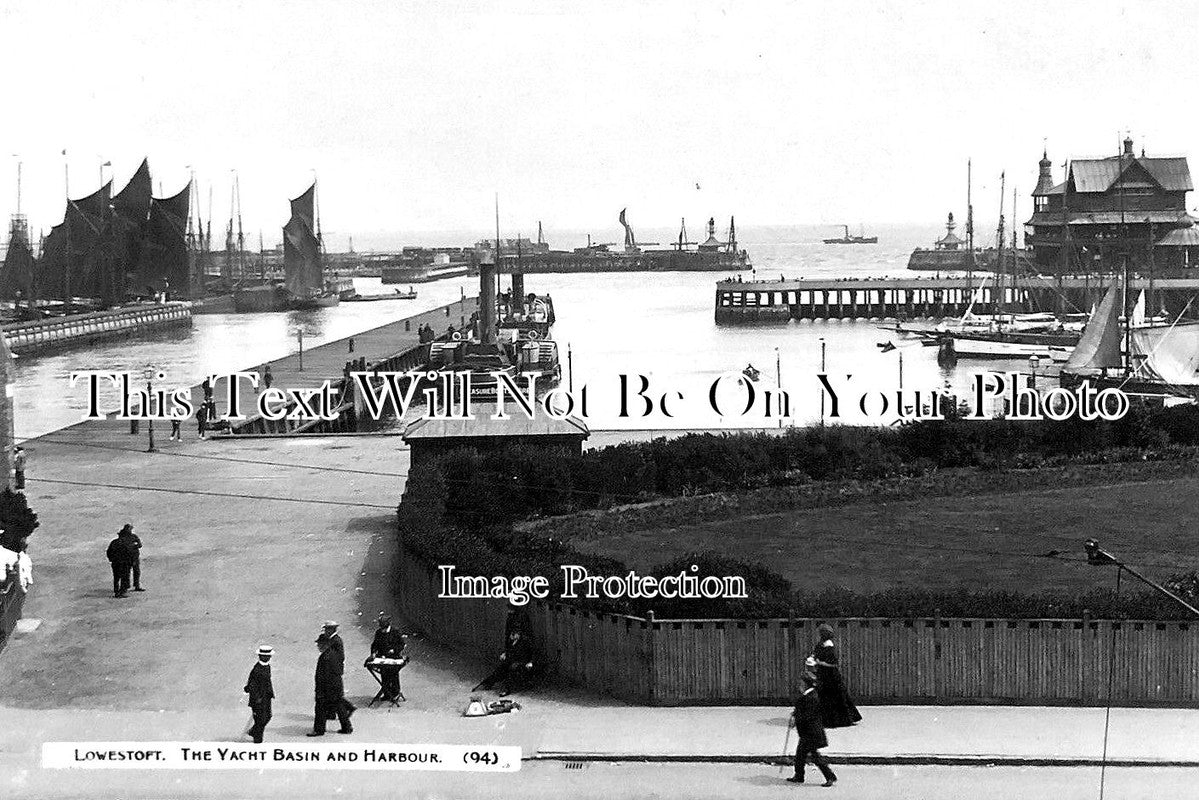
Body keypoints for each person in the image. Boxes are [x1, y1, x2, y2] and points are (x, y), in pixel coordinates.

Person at [787, 671, 837, 786]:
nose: (799, 685)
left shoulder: (811, 697)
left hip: (811, 733)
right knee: (801, 755)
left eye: (801, 683)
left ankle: (829, 776)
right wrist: (795, 714)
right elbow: (802, 710)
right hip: (808, 733)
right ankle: (799, 775)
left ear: (806, 684)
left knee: (813, 757)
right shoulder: (808, 696)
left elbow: (808, 715)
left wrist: (796, 718)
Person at [812, 623, 862, 728]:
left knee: (836, 697)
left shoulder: (829, 645)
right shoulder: (820, 644)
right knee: (825, 697)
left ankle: (841, 720)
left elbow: (833, 662)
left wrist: (820, 663)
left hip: (831, 676)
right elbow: (815, 654)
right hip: (823, 674)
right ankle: (826, 720)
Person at [308, 633, 353, 736]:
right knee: (339, 707)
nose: (318, 646)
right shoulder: (333, 654)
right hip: (336, 686)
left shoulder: (325, 657)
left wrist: (321, 691)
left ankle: (319, 730)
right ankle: (347, 727)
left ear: (326, 644)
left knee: (320, 708)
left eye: (320, 644)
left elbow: (325, 676)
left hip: (328, 688)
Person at [472, 630, 535, 697]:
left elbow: (533, 653)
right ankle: (487, 683)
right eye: (512, 634)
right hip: (512, 660)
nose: (512, 636)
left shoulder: (526, 641)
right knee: (501, 668)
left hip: (522, 662)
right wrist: (504, 654)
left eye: (515, 634)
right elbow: (509, 651)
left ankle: (507, 689)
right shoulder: (511, 641)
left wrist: (531, 662)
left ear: (519, 634)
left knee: (511, 669)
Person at [370, 613, 407, 702]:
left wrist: (394, 650)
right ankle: (386, 693)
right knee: (384, 675)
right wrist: (373, 653)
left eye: (384, 629)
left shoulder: (395, 631)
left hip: (394, 657)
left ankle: (395, 693)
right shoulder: (378, 633)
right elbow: (374, 645)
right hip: (382, 657)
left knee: (393, 674)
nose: (383, 631)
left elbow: (401, 645)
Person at [244, 645, 275, 743]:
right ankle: (257, 740)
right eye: (265, 656)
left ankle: (254, 731)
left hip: (266, 697)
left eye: (269, 656)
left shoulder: (267, 666)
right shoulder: (257, 669)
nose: (268, 658)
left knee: (268, 716)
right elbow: (252, 685)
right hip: (258, 699)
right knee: (260, 720)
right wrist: (257, 698)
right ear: (260, 656)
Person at [105, 531, 134, 598]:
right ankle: (122, 592)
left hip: (115, 563)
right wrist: (131, 562)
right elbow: (130, 553)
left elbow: (109, 551)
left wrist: (111, 559)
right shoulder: (126, 543)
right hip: (124, 563)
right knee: (124, 577)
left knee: (116, 577)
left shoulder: (114, 542)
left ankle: (116, 591)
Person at [119, 524, 146, 592]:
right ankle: (126, 586)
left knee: (136, 572)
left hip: (134, 557)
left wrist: (134, 546)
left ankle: (136, 585)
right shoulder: (122, 537)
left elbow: (140, 545)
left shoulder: (133, 536)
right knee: (126, 572)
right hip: (127, 557)